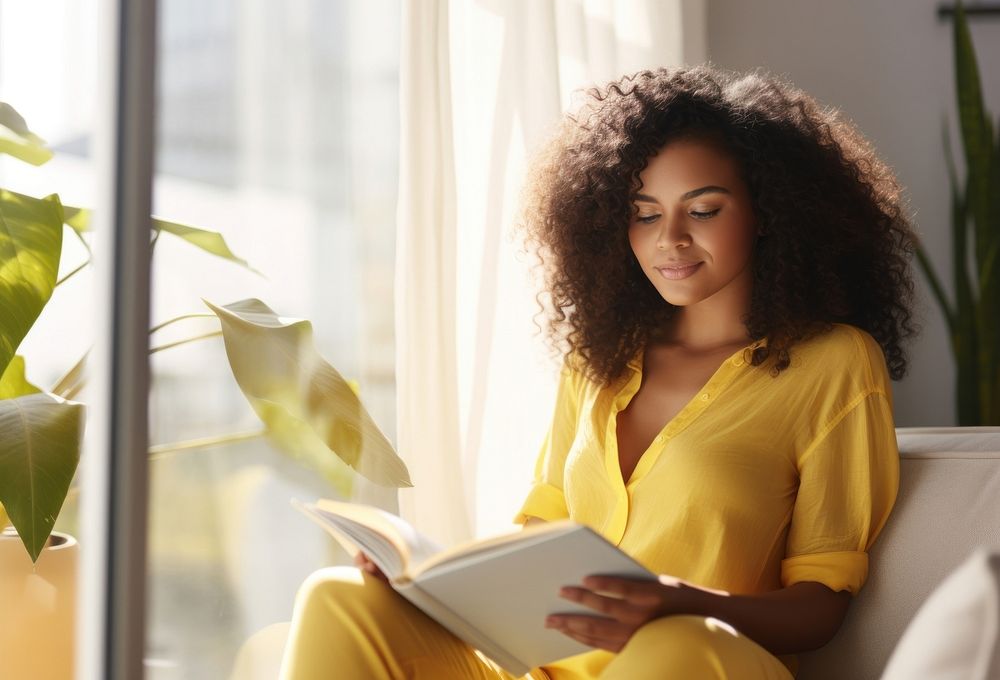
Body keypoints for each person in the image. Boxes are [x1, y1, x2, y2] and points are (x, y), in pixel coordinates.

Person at [278, 64, 915, 680]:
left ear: (767, 213)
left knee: (677, 644)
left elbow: (822, 604)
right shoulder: (599, 359)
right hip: (555, 670)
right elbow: (537, 540)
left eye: (703, 209)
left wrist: (681, 602)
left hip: (707, 662)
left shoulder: (834, 362)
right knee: (340, 598)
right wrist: (427, 585)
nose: (670, 238)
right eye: (645, 213)